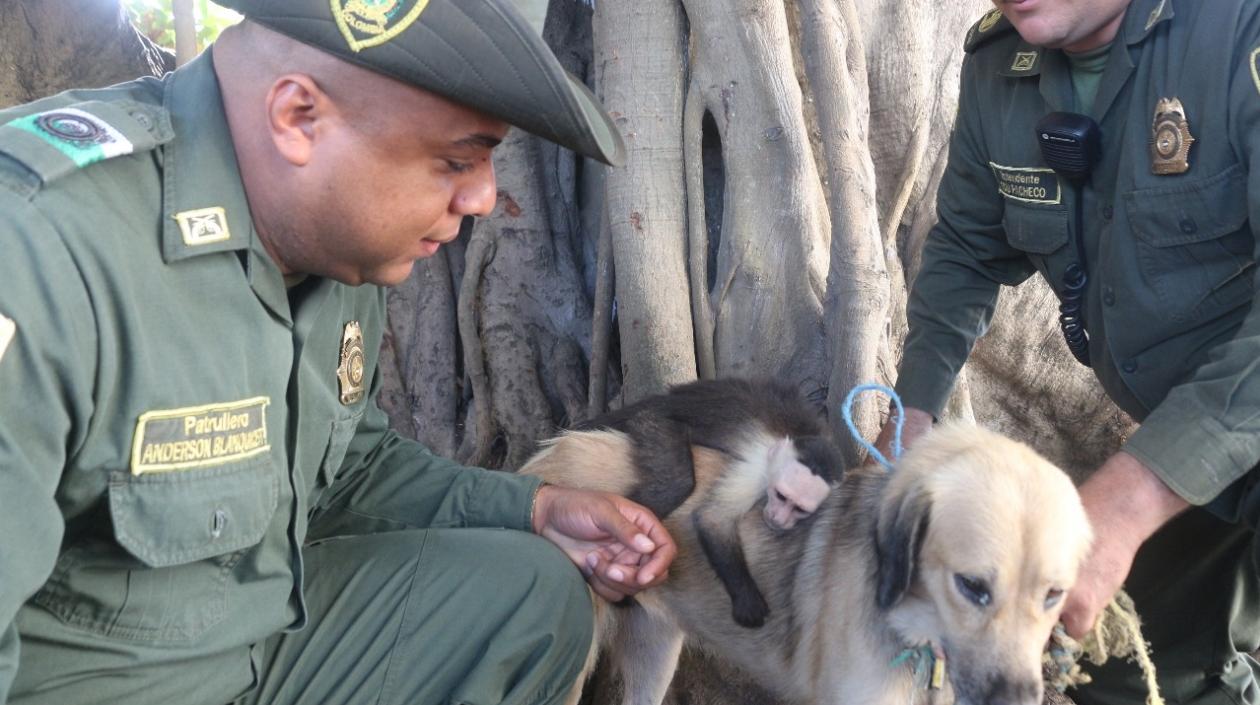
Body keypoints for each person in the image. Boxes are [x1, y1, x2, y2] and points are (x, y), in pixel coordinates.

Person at [0, 1, 678, 703]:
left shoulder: (330, 239)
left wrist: (532, 508)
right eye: (455, 160)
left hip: (260, 641)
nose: (482, 198)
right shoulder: (39, 251)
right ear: (298, 117)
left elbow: (346, 468)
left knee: (529, 596)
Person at [874, 0, 1260, 703]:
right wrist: (916, 410)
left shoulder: (1238, 32)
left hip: (1210, 438)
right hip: (1200, 449)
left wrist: (1131, 497)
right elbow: (965, 247)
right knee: (1109, 661)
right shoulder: (1001, 67)